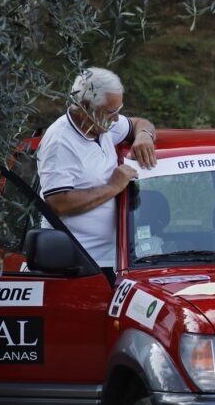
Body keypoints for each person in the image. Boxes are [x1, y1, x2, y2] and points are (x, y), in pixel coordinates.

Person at [36, 67, 158, 269]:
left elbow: (139, 123)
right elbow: (58, 203)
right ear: (85, 106)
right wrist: (112, 187)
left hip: (118, 261)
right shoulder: (60, 142)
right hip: (77, 266)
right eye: (111, 112)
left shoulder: (102, 126)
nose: (117, 119)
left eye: (119, 110)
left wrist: (144, 135)